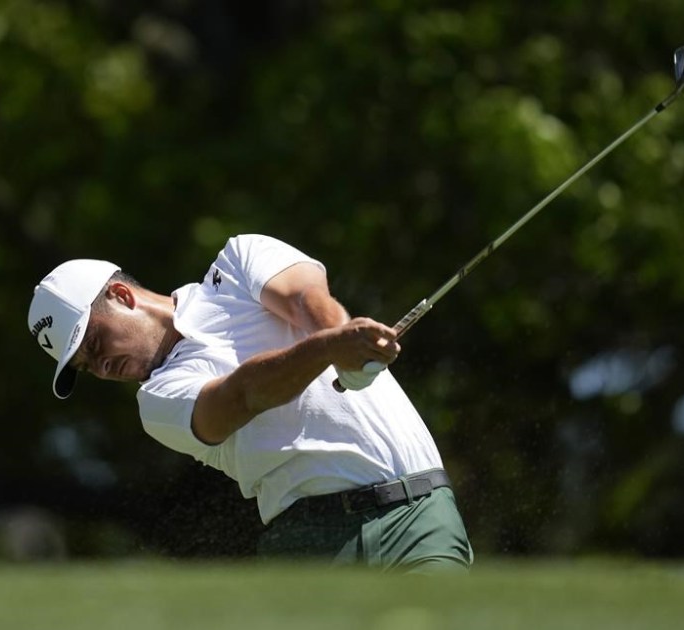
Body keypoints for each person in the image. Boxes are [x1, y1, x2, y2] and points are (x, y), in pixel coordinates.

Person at [27, 234, 473, 572]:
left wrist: (344, 343)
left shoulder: (237, 263)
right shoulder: (156, 402)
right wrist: (330, 348)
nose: (102, 366)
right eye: (87, 366)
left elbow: (304, 298)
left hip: (417, 514)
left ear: (122, 296)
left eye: (95, 343)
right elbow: (242, 395)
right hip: (310, 546)